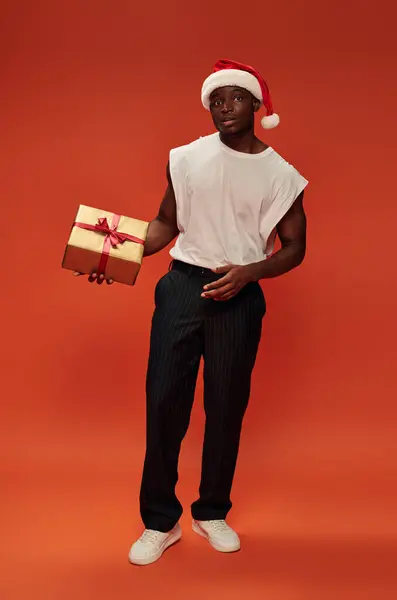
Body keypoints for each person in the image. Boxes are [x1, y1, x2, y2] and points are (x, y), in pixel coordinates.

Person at [77, 59, 308, 565]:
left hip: (239, 296)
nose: (224, 107)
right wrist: (113, 257)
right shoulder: (186, 158)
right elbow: (164, 223)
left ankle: (211, 511)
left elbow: (293, 247)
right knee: (163, 405)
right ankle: (160, 522)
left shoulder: (280, 174)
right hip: (182, 288)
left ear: (256, 105)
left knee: (226, 409)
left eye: (235, 98)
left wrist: (250, 272)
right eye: (215, 100)